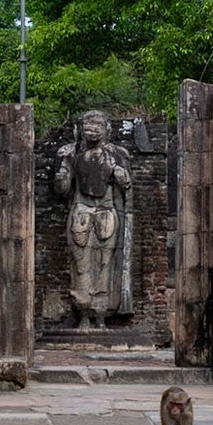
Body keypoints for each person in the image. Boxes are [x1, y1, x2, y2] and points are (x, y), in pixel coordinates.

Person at [53, 110, 131, 327]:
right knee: (80, 265)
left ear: (107, 129)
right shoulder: (70, 153)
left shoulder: (117, 153)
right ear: (79, 129)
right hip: (81, 208)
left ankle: (101, 314)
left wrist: (120, 175)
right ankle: (84, 313)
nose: (92, 128)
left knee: (106, 265)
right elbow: (62, 189)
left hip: (106, 210)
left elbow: (126, 187)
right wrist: (61, 177)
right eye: (87, 124)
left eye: (98, 124)